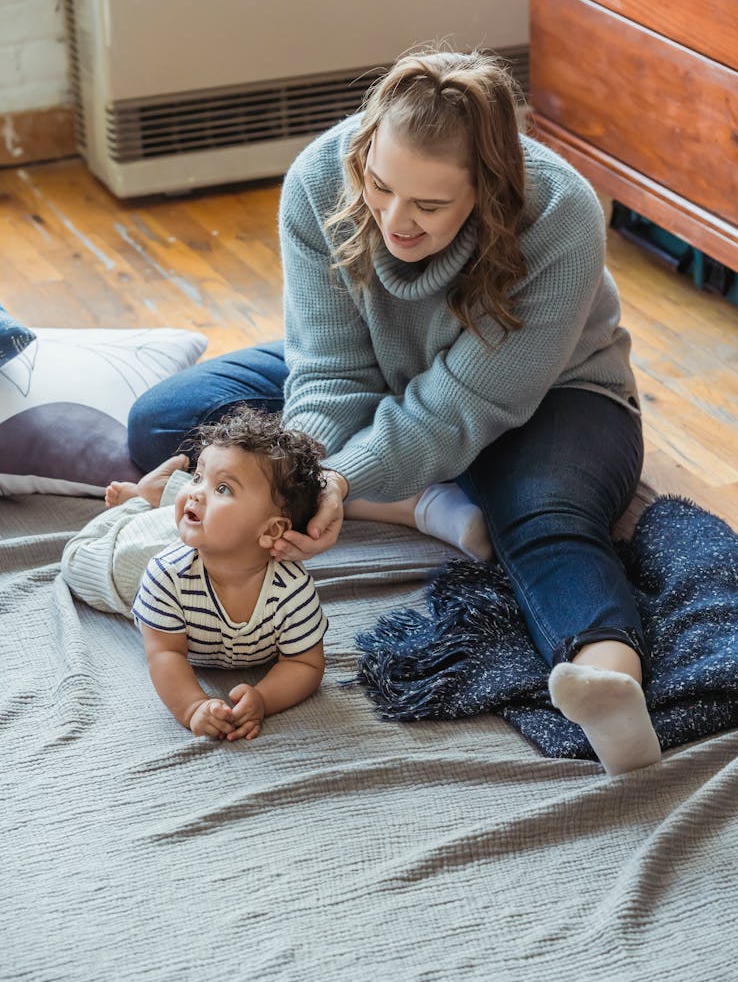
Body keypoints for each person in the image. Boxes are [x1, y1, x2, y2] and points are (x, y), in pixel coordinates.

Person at [127, 48, 661, 776]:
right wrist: (301, 477)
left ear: (490, 187)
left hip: (551, 394)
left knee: (541, 517)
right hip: (383, 373)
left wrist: (339, 482)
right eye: (379, 188)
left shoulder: (560, 215)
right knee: (168, 420)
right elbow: (329, 371)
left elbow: (462, 404)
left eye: (430, 206)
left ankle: (609, 683)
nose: (393, 220)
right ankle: (420, 499)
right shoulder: (320, 179)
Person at [63, 406, 328, 741]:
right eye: (197, 477)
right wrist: (192, 707)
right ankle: (138, 500)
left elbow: (306, 665)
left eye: (223, 489)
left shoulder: (291, 589)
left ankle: (153, 495)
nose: (198, 490)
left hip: (197, 536)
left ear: (273, 530)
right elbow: (164, 652)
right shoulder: (165, 576)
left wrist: (263, 698)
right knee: (75, 559)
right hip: (131, 562)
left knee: (191, 519)